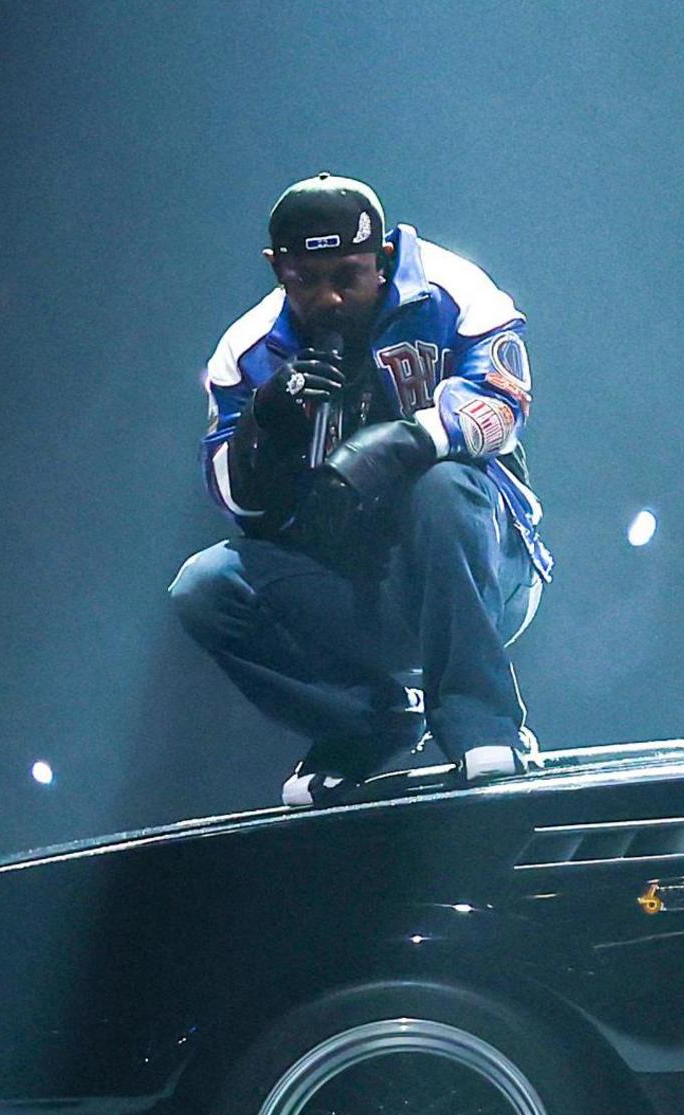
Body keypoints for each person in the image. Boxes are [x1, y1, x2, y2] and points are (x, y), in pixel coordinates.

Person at [169, 173, 550, 804]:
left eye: (347, 276)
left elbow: (505, 405)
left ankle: (483, 722)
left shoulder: (458, 293)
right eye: (303, 280)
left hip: (487, 569)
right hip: (358, 587)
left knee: (444, 487)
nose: (328, 300)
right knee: (204, 586)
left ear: (384, 260)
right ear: (276, 267)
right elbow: (233, 499)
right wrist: (266, 422)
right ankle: (364, 725)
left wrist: (403, 442)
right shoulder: (246, 352)